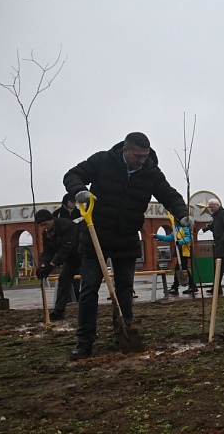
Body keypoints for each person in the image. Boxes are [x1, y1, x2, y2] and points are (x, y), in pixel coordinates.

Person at [64, 132, 189, 359]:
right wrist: (79, 190)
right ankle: (85, 340)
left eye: (146, 155)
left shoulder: (151, 172)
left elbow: (169, 195)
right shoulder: (103, 161)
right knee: (89, 289)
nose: (142, 160)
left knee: (124, 289)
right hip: (96, 237)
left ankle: (123, 330)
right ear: (125, 149)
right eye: (138, 156)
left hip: (127, 239)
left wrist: (182, 214)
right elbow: (73, 174)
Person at [34, 209, 82, 321]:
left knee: (89, 281)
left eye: (45, 224)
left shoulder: (67, 226)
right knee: (63, 280)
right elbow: (47, 251)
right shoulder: (46, 234)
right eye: (41, 226)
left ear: (51, 220)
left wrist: (51, 266)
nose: (44, 227)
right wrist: (43, 266)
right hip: (71, 259)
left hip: (84, 254)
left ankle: (87, 307)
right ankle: (59, 311)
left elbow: (66, 248)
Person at [152, 215, 197, 295]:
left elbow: (189, 238)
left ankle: (177, 287)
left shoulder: (186, 228)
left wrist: (179, 242)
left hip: (184, 251)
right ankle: (190, 286)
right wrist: (157, 236)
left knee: (180, 268)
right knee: (182, 269)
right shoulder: (177, 229)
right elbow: (170, 237)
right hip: (179, 251)